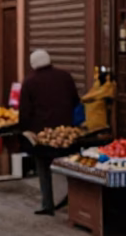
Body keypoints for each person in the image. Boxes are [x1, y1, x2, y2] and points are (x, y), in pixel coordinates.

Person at [19, 49, 80, 215]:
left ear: (33, 64)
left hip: (42, 133)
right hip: (65, 131)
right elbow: (76, 101)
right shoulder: (65, 76)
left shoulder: (30, 82)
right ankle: (74, 201)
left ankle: (48, 204)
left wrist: (24, 129)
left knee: (43, 168)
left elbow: (25, 111)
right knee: (69, 166)